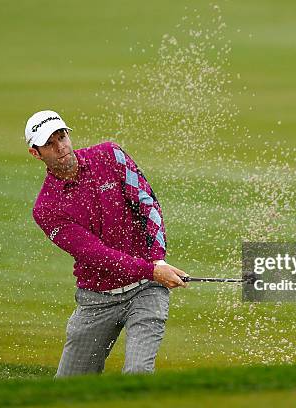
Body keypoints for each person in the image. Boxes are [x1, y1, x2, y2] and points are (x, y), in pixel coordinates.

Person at [24, 110, 188, 376]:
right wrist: (152, 270)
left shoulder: (110, 155)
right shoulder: (47, 208)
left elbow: (147, 202)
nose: (60, 147)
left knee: (137, 373)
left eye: (62, 136)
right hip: (96, 300)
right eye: (49, 143)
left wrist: (157, 258)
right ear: (36, 153)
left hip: (147, 290)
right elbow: (95, 254)